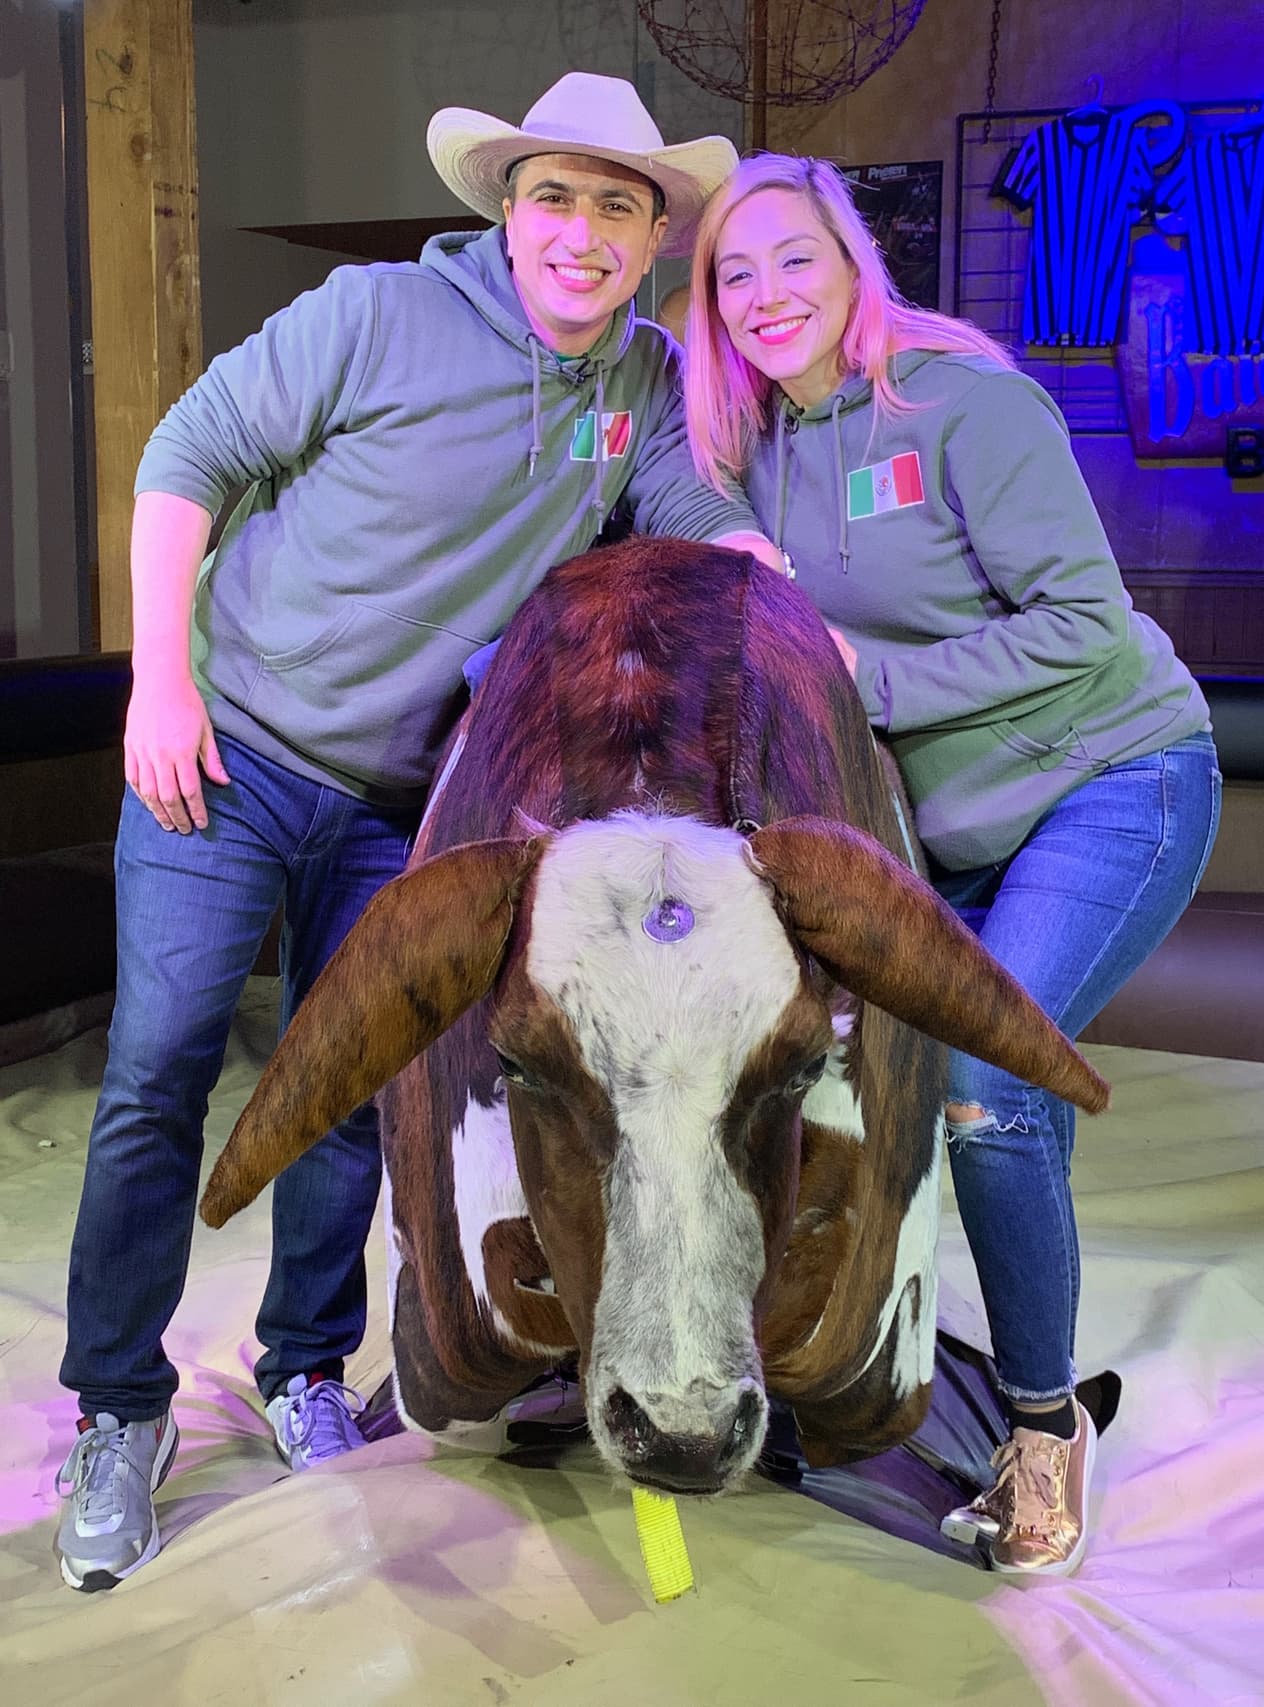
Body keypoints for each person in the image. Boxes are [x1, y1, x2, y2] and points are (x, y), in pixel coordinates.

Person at [54, 71, 781, 1594]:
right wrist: (162, 682)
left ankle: (302, 1365)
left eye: (618, 205)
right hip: (228, 755)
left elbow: (698, 526)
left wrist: (785, 590)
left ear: (651, 238)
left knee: (351, 1093)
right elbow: (183, 460)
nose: (582, 234)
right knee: (161, 1068)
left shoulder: (635, 387)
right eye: (556, 198)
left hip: (403, 804)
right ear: (509, 212)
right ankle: (117, 1411)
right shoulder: (374, 316)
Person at [683, 153, 1220, 1578]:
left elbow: (1086, 626)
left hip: (1113, 778)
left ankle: (1043, 1427)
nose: (767, 294)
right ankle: (847, 1354)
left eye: (795, 258)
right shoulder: (751, 447)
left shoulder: (965, 401)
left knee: (987, 1092)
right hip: (948, 835)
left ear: (853, 263)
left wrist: (868, 681)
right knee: (824, 1067)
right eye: (736, 274)